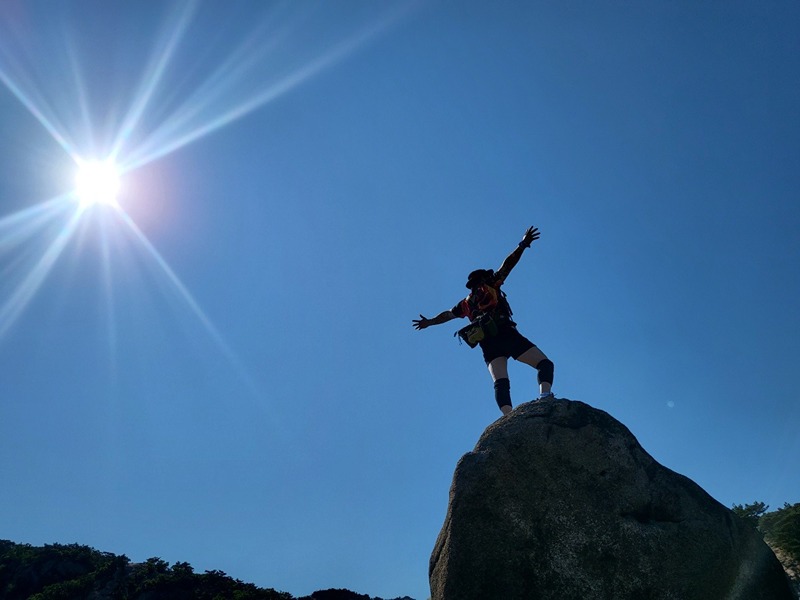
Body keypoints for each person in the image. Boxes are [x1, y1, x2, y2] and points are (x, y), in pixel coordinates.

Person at [412, 226, 554, 416]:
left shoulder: (466, 303)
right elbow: (508, 265)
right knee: (544, 363)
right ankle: (545, 396)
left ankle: (508, 418)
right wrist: (523, 244)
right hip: (505, 333)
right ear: (484, 278)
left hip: (487, 344)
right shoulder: (490, 284)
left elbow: (447, 315)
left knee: (501, 382)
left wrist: (428, 322)